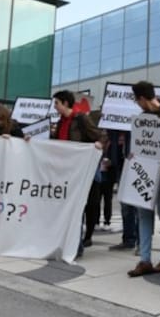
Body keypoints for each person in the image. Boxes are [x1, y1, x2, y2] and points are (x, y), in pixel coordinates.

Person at [127, 81, 160, 277]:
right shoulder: (142, 119)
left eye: (137, 100)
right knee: (144, 214)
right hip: (145, 171)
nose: (137, 104)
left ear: (142, 98)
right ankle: (145, 260)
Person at [52, 90, 104, 253]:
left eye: (57, 103)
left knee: (81, 205)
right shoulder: (60, 122)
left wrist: (99, 144)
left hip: (80, 171)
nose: (55, 107)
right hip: (65, 171)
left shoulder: (81, 119)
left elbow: (101, 135)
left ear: (65, 103)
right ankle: (70, 242)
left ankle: (79, 243)